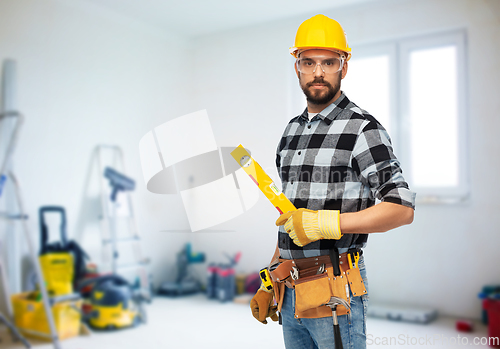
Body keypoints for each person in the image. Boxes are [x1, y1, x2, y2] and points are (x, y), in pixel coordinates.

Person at [249, 14, 416, 349]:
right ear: (297, 66)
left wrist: (326, 223)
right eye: (308, 62)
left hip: (335, 290)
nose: (318, 72)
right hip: (290, 290)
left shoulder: (363, 129)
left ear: (344, 66)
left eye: (329, 62)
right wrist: (270, 278)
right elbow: (291, 218)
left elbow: (401, 208)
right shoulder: (291, 132)